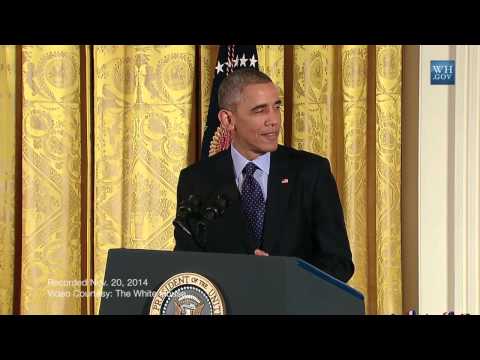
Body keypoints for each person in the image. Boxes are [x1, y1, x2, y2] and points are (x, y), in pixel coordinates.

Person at [174, 68, 354, 283]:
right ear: (228, 120)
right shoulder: (196, 180)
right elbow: (185, 265)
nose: (274, 120)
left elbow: (339, 262)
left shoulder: (311, 172)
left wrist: (284, 275)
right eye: (260, 110)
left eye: (276, 107)